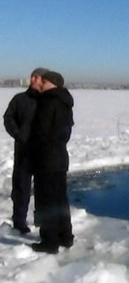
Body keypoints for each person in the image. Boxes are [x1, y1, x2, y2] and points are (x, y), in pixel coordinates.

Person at [29, 71, 75, 254]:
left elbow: (42, 131)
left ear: (51, 82)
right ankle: (65, 237)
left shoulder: (48, 101)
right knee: (60, 199)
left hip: (46, 158)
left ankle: (49, 242)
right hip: (60, 156)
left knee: (47, 200)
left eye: (43, 80)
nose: (39, 82)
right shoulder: (64, 101)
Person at [3, 68, 49, 234]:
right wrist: (18, 134)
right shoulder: (20, 99)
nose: (35, 80)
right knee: (21, 187)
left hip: (43, 152)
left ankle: (41, 222)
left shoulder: (49, 101)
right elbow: (8, 118)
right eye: (34, 77)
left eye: (39, 78)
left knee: (43, 189)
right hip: (23, 151)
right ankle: (19, 221)